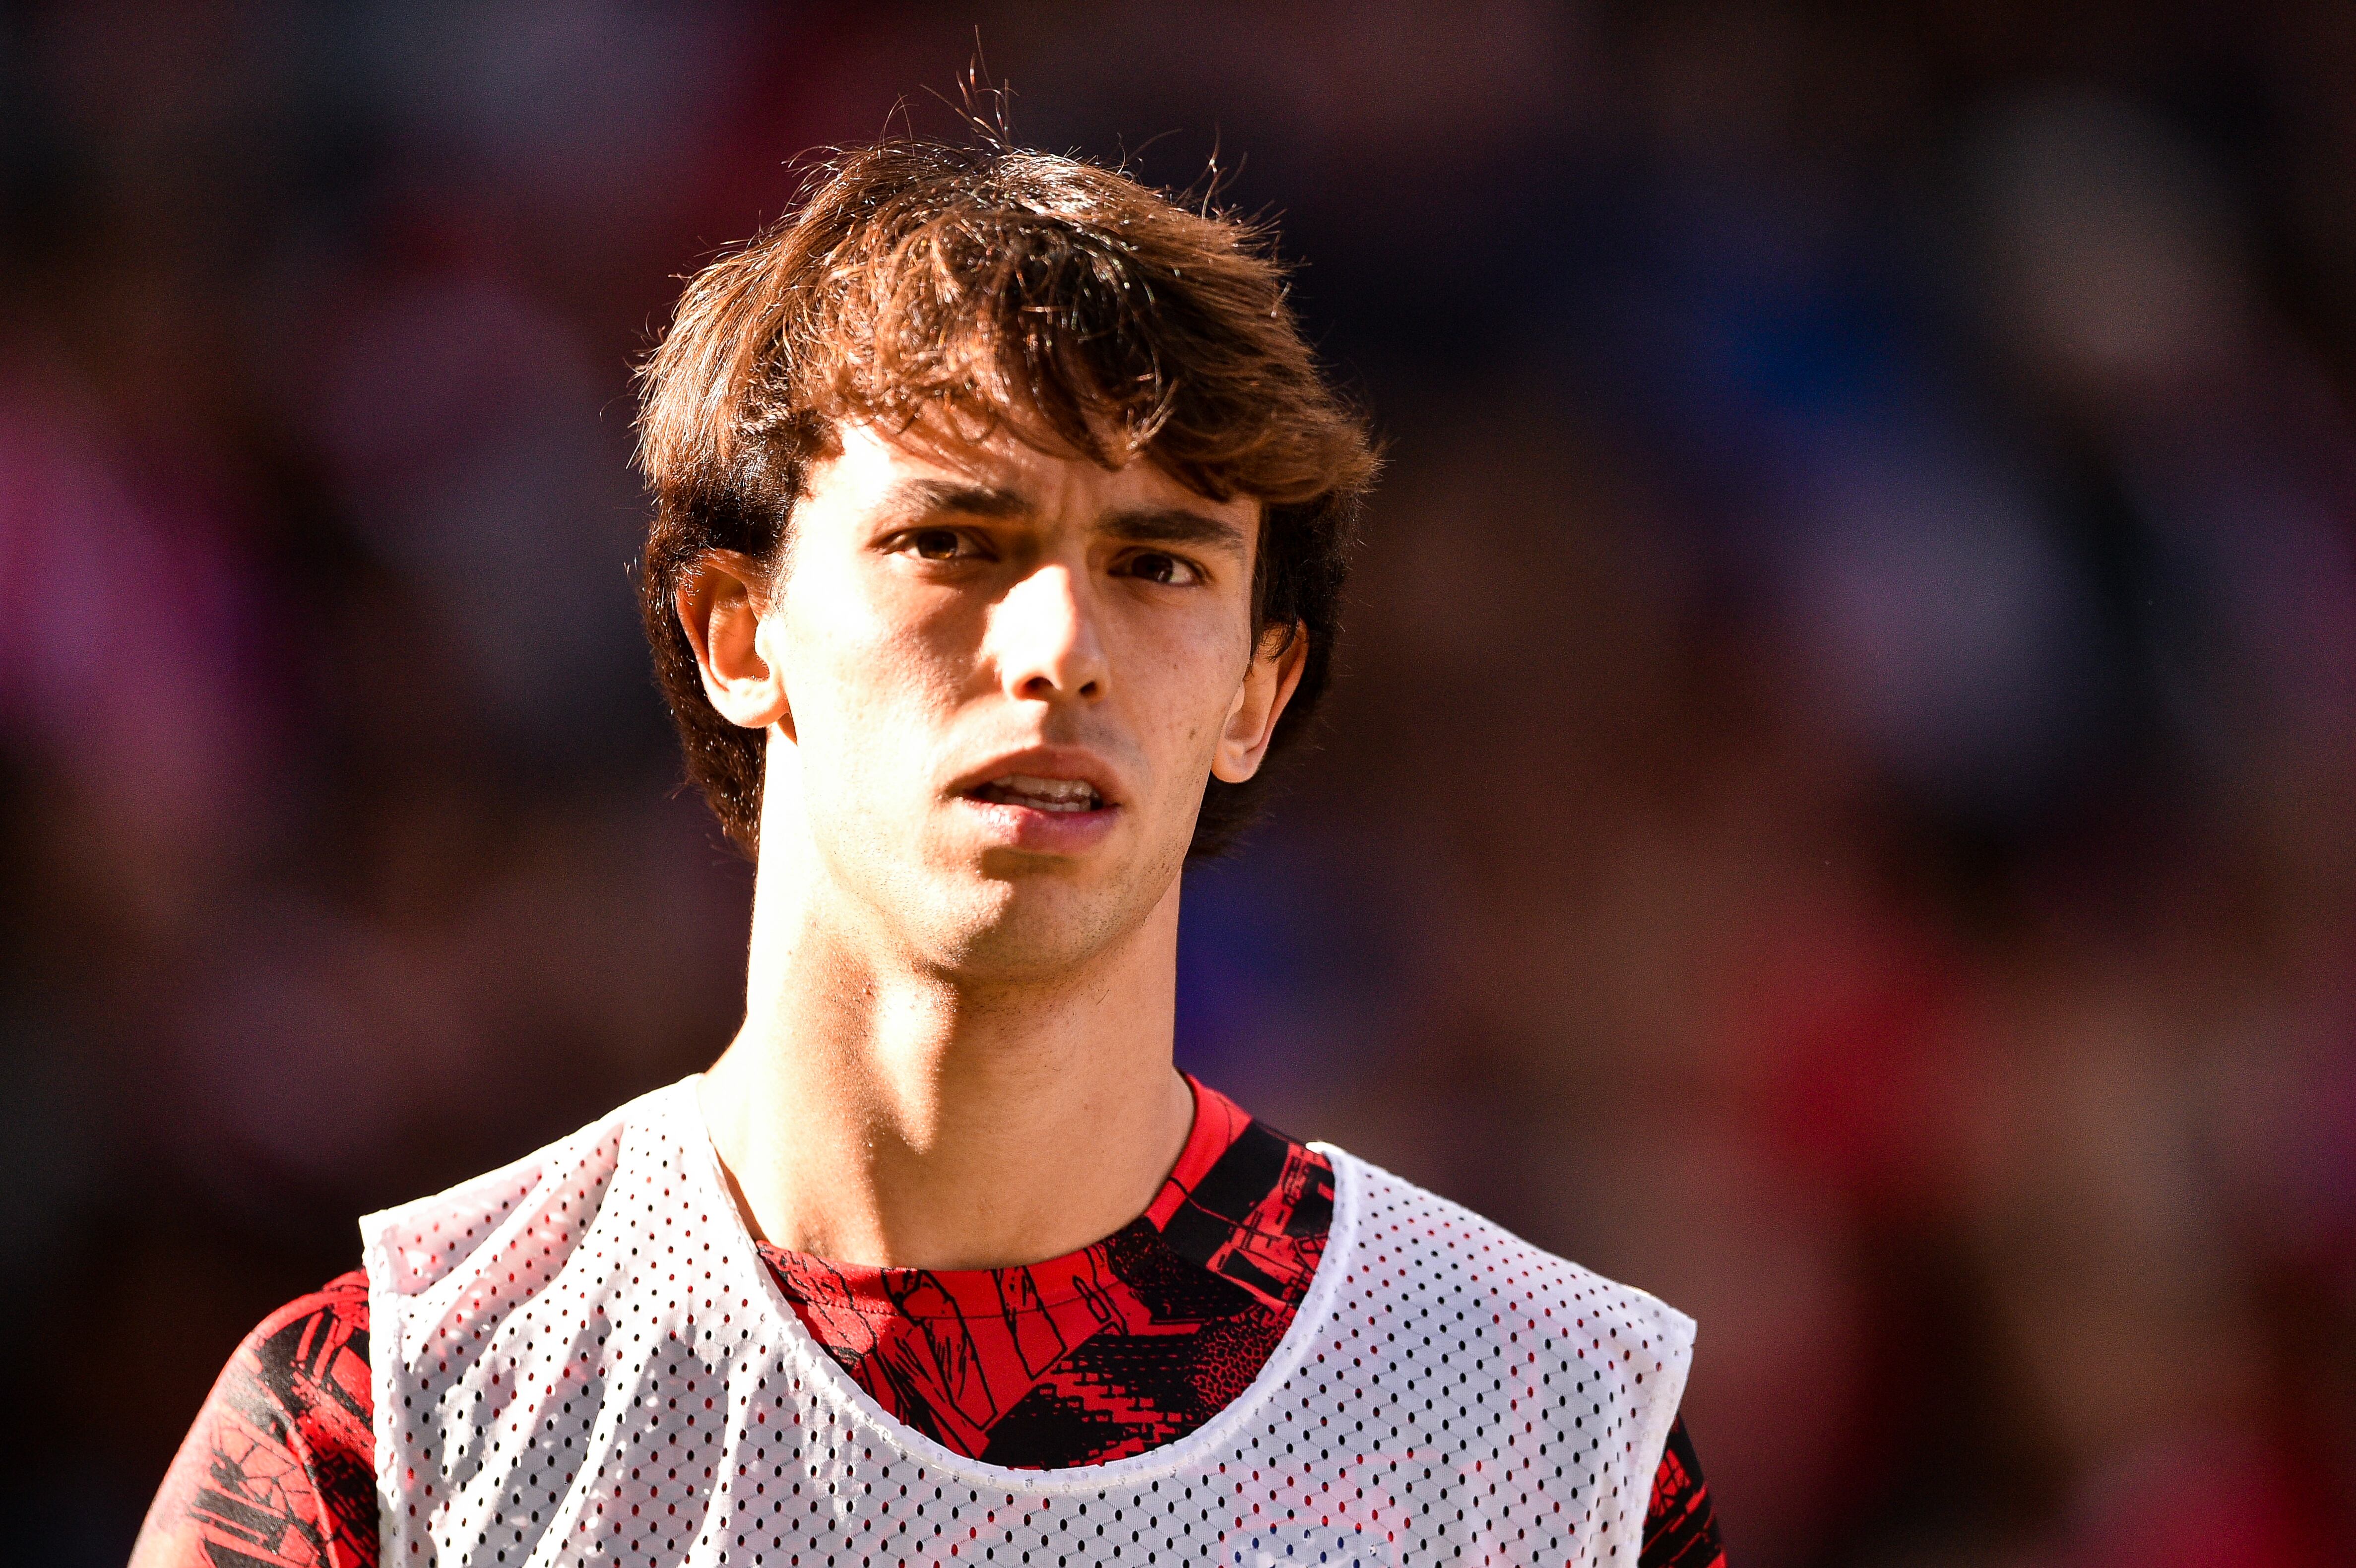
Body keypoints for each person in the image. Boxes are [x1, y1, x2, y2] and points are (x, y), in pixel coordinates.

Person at [131, 136, 1725, 1568]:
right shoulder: (382, 1439)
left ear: (1260, 688)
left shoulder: (1555, 1453)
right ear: (735, 632)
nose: (1060, 646)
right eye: (953, 541)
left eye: (1160, 561)